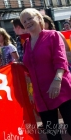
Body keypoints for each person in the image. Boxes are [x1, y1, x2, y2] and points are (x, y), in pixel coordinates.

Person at [20, 8, 71, 140]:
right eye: (24, 21)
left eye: (30, 18)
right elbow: (29, 67)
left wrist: (57, 80)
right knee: (52, 134)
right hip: (41, 95)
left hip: (61, 89)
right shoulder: (26, 43)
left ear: (38, 18)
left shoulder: (53, 35)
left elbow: (61, 60)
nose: (27, 22)